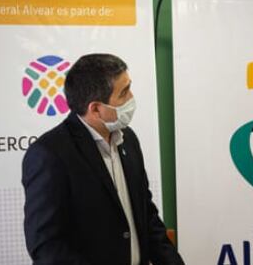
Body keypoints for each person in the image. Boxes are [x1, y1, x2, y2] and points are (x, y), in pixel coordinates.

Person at [22, 53, 185, 265]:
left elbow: (146, 215)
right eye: (124, 93)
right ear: (96, 109)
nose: (131, 98)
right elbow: (46, 247)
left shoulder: (128, 139)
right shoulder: (50, 154)